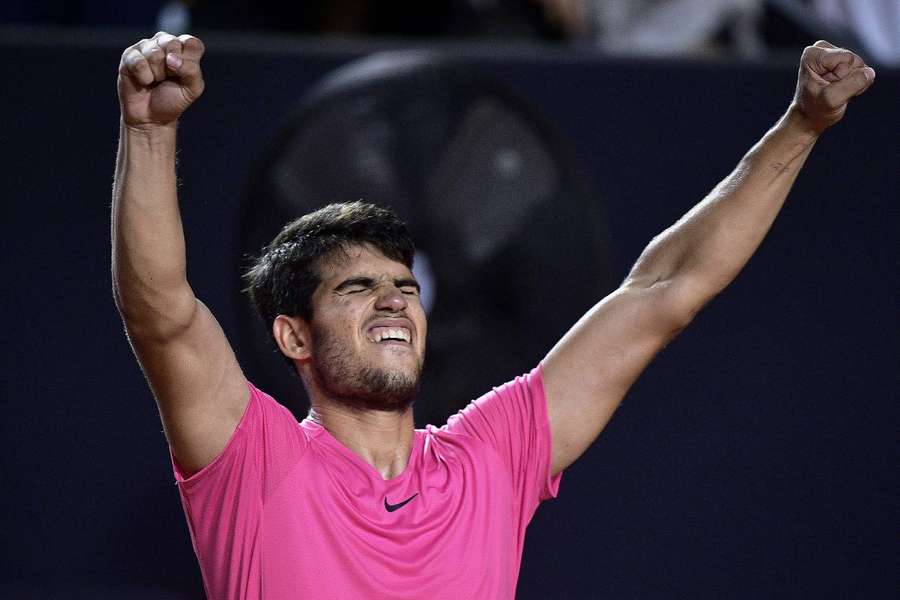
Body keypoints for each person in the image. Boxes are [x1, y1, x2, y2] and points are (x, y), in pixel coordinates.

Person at [111, 32, 875, 599]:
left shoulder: (490, 457)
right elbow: (162, 314)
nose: (395, 302)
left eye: (406, 287)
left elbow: (662, 291)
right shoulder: (254, 462)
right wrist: (149, 133)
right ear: (293, 336)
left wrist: (799, 127)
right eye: (356, 289)